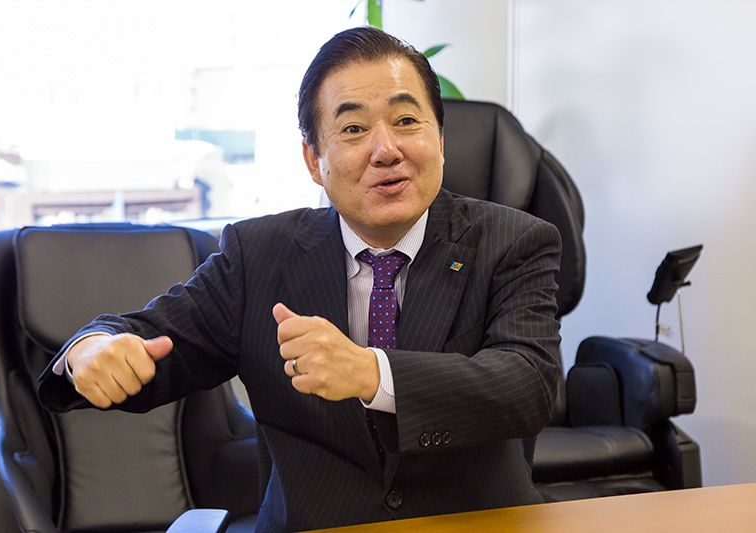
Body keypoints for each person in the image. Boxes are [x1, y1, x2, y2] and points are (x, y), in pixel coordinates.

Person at [37, 26, 562, 532]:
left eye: (406, 121)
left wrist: (372, 373)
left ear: (440, 140)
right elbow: (147, 340)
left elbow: (529, 385)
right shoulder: (258, 256)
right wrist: (92, 348)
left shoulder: (513, 242)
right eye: (353, 129)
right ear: (314, 160)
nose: (386, 149)